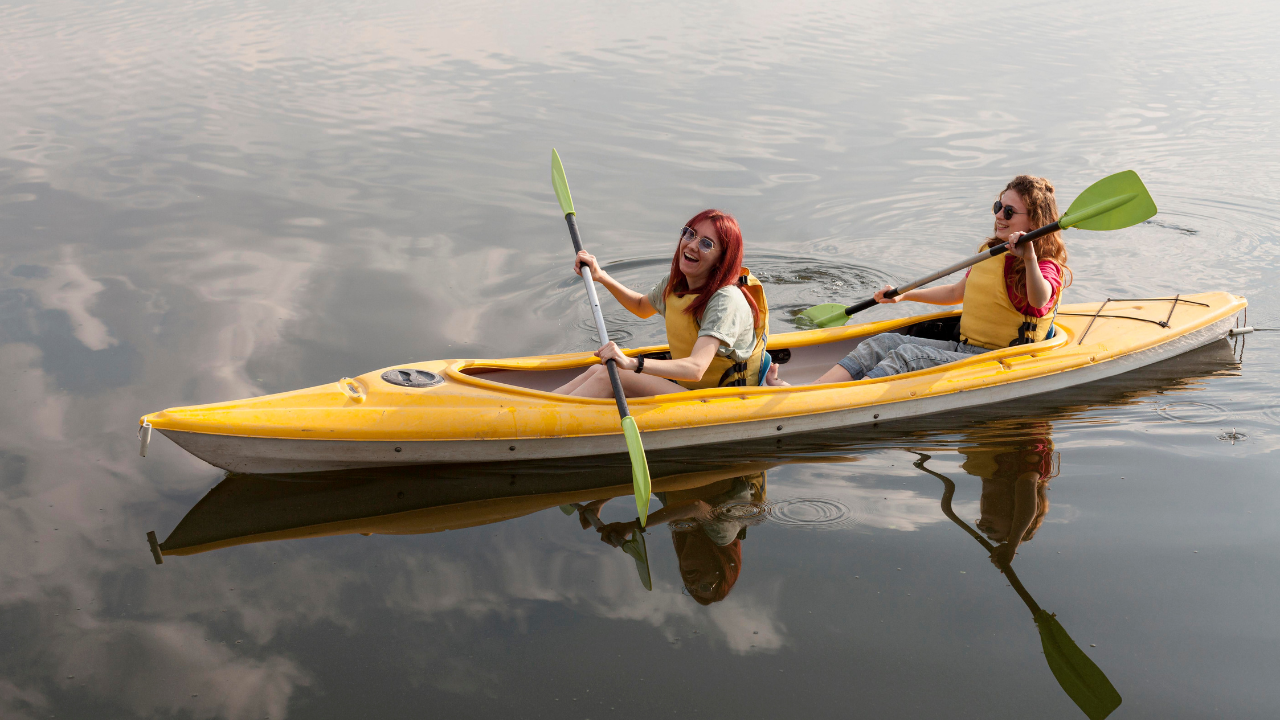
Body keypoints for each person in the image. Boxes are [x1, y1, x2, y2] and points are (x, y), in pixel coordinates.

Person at [787, 176, 1070, 385]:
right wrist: (906, 295)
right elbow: (958, 292)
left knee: (907, 355)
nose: (998, 215)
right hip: (966, 348)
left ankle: (842, 400)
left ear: (1034, 222)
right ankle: (814, 391)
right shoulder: (991, 251)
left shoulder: (1045, 265)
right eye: (998, 206)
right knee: (883, 343)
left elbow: (1039, 298)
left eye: (1009, 212)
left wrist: (1029, 256)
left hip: (1002, 361)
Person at [554, 209, 770, 397]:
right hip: (688, 388)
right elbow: (640, 306)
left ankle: (545, 423)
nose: (692, 245)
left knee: (614, 376)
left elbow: (696, 368)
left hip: (720, 399)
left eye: (706, 244)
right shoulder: (677, 284)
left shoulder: (725, 300)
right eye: (690, 233)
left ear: (722, 259)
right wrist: (600, 276)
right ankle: (537, 406)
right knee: (598, 371)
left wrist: (633, 363)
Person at [582, 472, 767, 604]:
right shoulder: (724, 535)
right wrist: (633, 526)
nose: (693, 584)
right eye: (706, 587)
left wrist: (599, 502)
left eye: (690, 589)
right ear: (723, 567)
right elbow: (696, 506)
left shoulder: (675, 510)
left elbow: (646, 477)